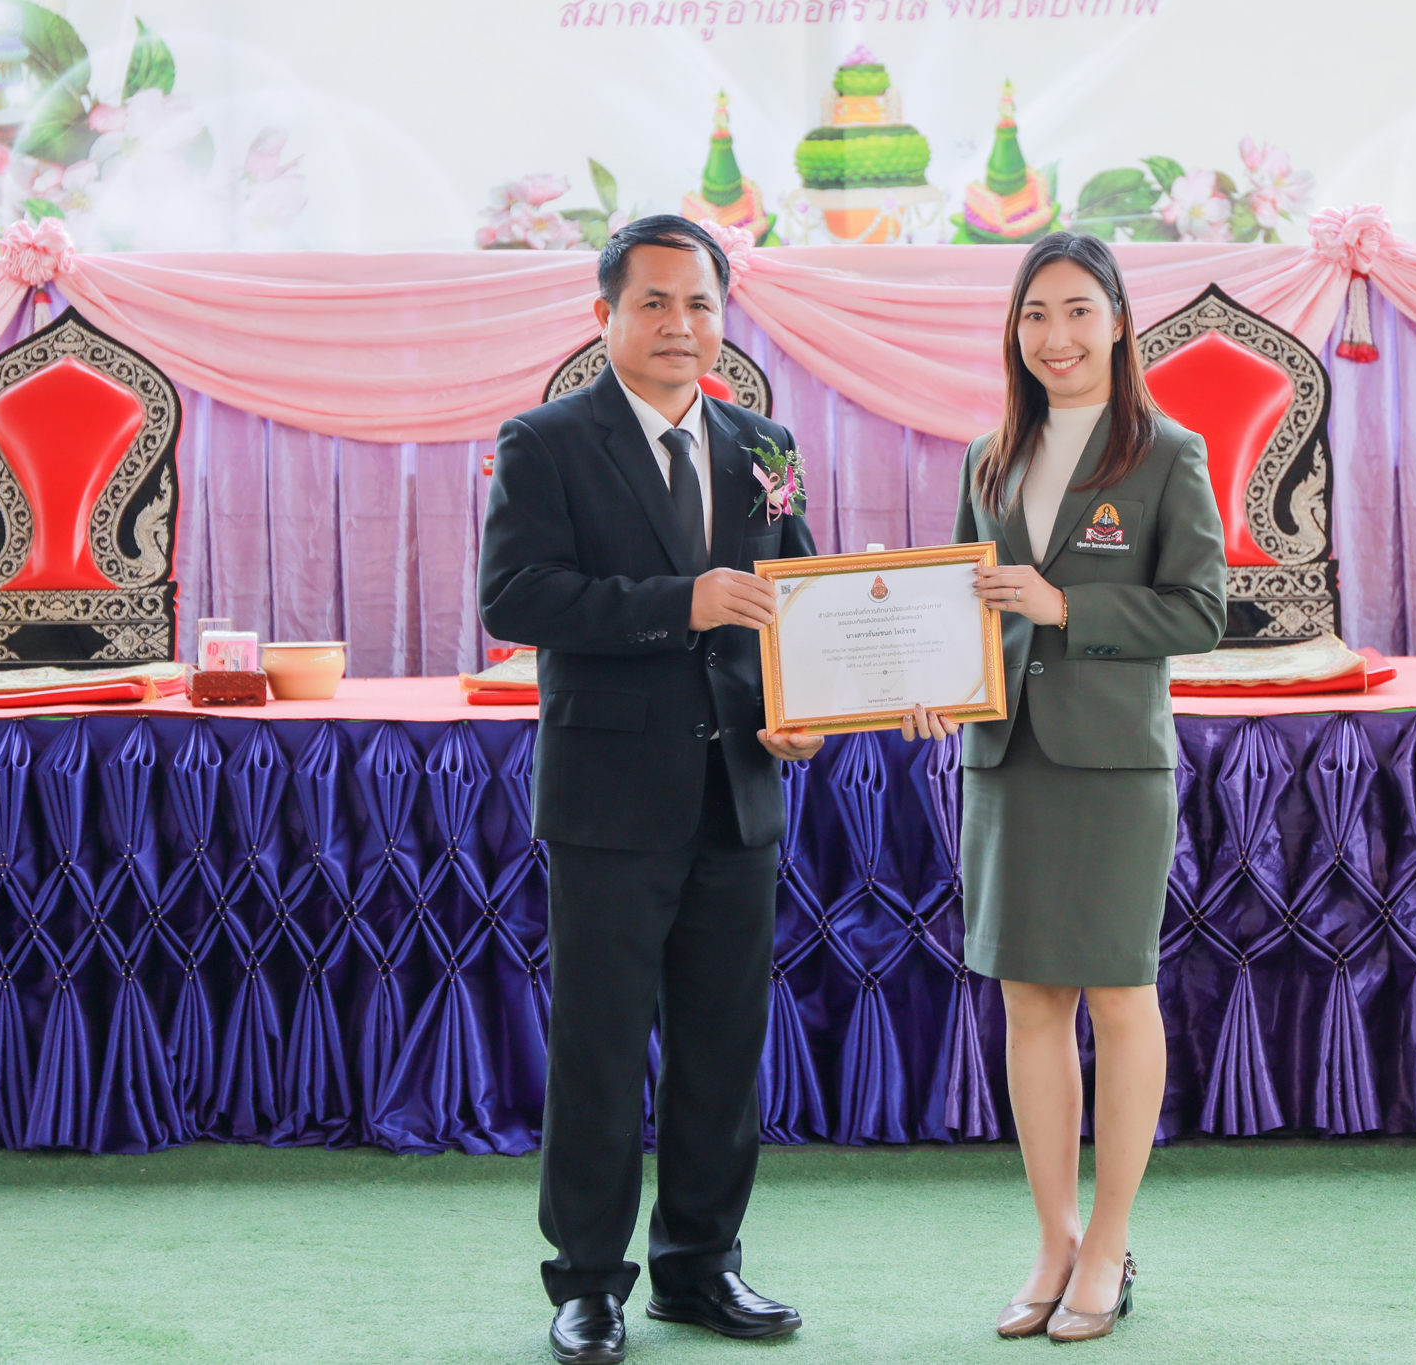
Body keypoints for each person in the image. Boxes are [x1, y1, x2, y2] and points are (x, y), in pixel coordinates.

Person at [479, 215, 824, 1365]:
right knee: (599, 1049)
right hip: (609, 797)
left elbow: (793, 593)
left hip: (740, 788)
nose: (680, 324)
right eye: (654, 302)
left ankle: (699, 1267)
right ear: (605, 316)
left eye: (700, 304)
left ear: (724, 317)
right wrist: (681, 601)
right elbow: (517, 598)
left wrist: (803, 703)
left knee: (723, 1049)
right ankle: (586, 1283)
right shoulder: (545, 441)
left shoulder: (765, 444)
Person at [901, 231, 1224, 1343]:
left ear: (1119, 322)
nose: (1056, 336)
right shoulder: (988, 457)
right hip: (1005, 760)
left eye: (1079, 310)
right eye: (1035, 313)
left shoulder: (1167, 453)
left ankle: (1109, 1244)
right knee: (1027, 1002)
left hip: (1114, 767)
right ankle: (1052, 1240)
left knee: (1118, 997)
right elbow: (956, 606)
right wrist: (933, 687)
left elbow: (1200, 612)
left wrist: (1064, 606)